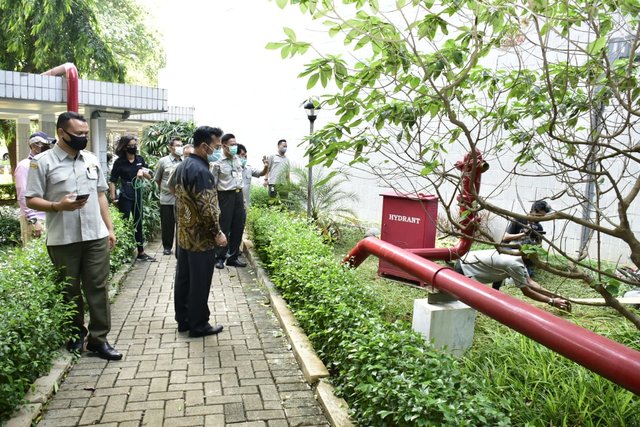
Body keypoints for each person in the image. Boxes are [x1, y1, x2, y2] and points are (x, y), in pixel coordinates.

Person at [25, 111, 122, 360]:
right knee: (69, 289)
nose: (83, 138)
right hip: (62, 238)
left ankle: (99, 340)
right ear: (61, 133)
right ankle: (75, 334)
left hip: (95, 236)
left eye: (86, 133)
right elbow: (31, 199)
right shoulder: (42, 162)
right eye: (78, 134)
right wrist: (58, 206)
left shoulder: (91, 159)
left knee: (98, 287)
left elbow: (101, 195)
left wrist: (109, 228)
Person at [173, 125, 227, 337]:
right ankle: (199, 324)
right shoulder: (202, 171)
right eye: (216, 145)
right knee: (200, 281)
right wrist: (217, 232)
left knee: (184, 279)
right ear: (204, 146)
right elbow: (208, 208)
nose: (218, 149)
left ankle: (184, 320)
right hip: (201, 238)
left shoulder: (184, 165)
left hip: (185, 235)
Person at [454, 249, 571, 311]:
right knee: (467, 304)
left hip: (467, 259)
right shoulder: (514, 264)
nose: (538, 262)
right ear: (528, 256)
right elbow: (527, 291)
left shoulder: (518, 256)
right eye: (537, 259)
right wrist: (552, 302)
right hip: (465, 267)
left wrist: (555, 295)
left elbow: (530, 282)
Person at [109, 135, 156, 262]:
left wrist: (142, 172)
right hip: (125, 194)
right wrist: (113, 198)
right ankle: (121, 252)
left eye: (135, 145)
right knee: (124, 221)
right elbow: (112, 181)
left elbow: (150, 176)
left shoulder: (140, 159)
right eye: (131, 145)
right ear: (125, 147)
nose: (133, 147)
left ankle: (141, 252)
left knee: (138, 222)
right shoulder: (119, 162)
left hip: (138, 193)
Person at [211, 133, 246, 269]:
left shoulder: (238, 159)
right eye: (232, 144)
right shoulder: (218, 163)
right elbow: (213, 185)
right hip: (225, 196)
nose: (235, 147)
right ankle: (219, 257)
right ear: (224, 146)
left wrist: (242, 199)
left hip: (238, 195)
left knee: (238, 226)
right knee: (224, 226)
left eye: (236, 144)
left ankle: (233, 257)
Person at [498, 200, 552, 287]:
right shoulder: (519, 219)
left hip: (524, 253)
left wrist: (537, 242)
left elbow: (538, 246)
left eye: (543, 216)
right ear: (533, 211)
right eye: (540, 215)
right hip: (509, 248)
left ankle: (517, 271)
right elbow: (505, 237)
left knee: (527, 273)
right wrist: (524, 234)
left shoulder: (538, 226)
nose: (541, 218)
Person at [14, 131, 55, 245]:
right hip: (35, 219)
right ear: (34, 146)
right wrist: (33, 220)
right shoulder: (24, 166)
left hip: (49, 217)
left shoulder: (45, 164)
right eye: (45, 145)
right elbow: (22, 194)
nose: (48, 148)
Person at [154, 137, 183, 255]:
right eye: (177, 145)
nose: (179, 147)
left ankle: (180, 247)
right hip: (167, 199)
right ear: (170, 147)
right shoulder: (163, 161)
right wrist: (167, 189)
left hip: (182, 199)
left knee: (181, 224)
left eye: (181, 145)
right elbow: (157, 179)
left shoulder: (185, 160)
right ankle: (167, 247)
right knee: (167, 224)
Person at [237, 143, 268, 208]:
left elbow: (262, 173)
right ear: (236, 156)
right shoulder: (231, 169)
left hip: (246, 203)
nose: (245, 157)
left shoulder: (249, 168)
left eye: (246, 156)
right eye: (242, 155)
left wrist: (266, 166)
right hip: (234, 203)